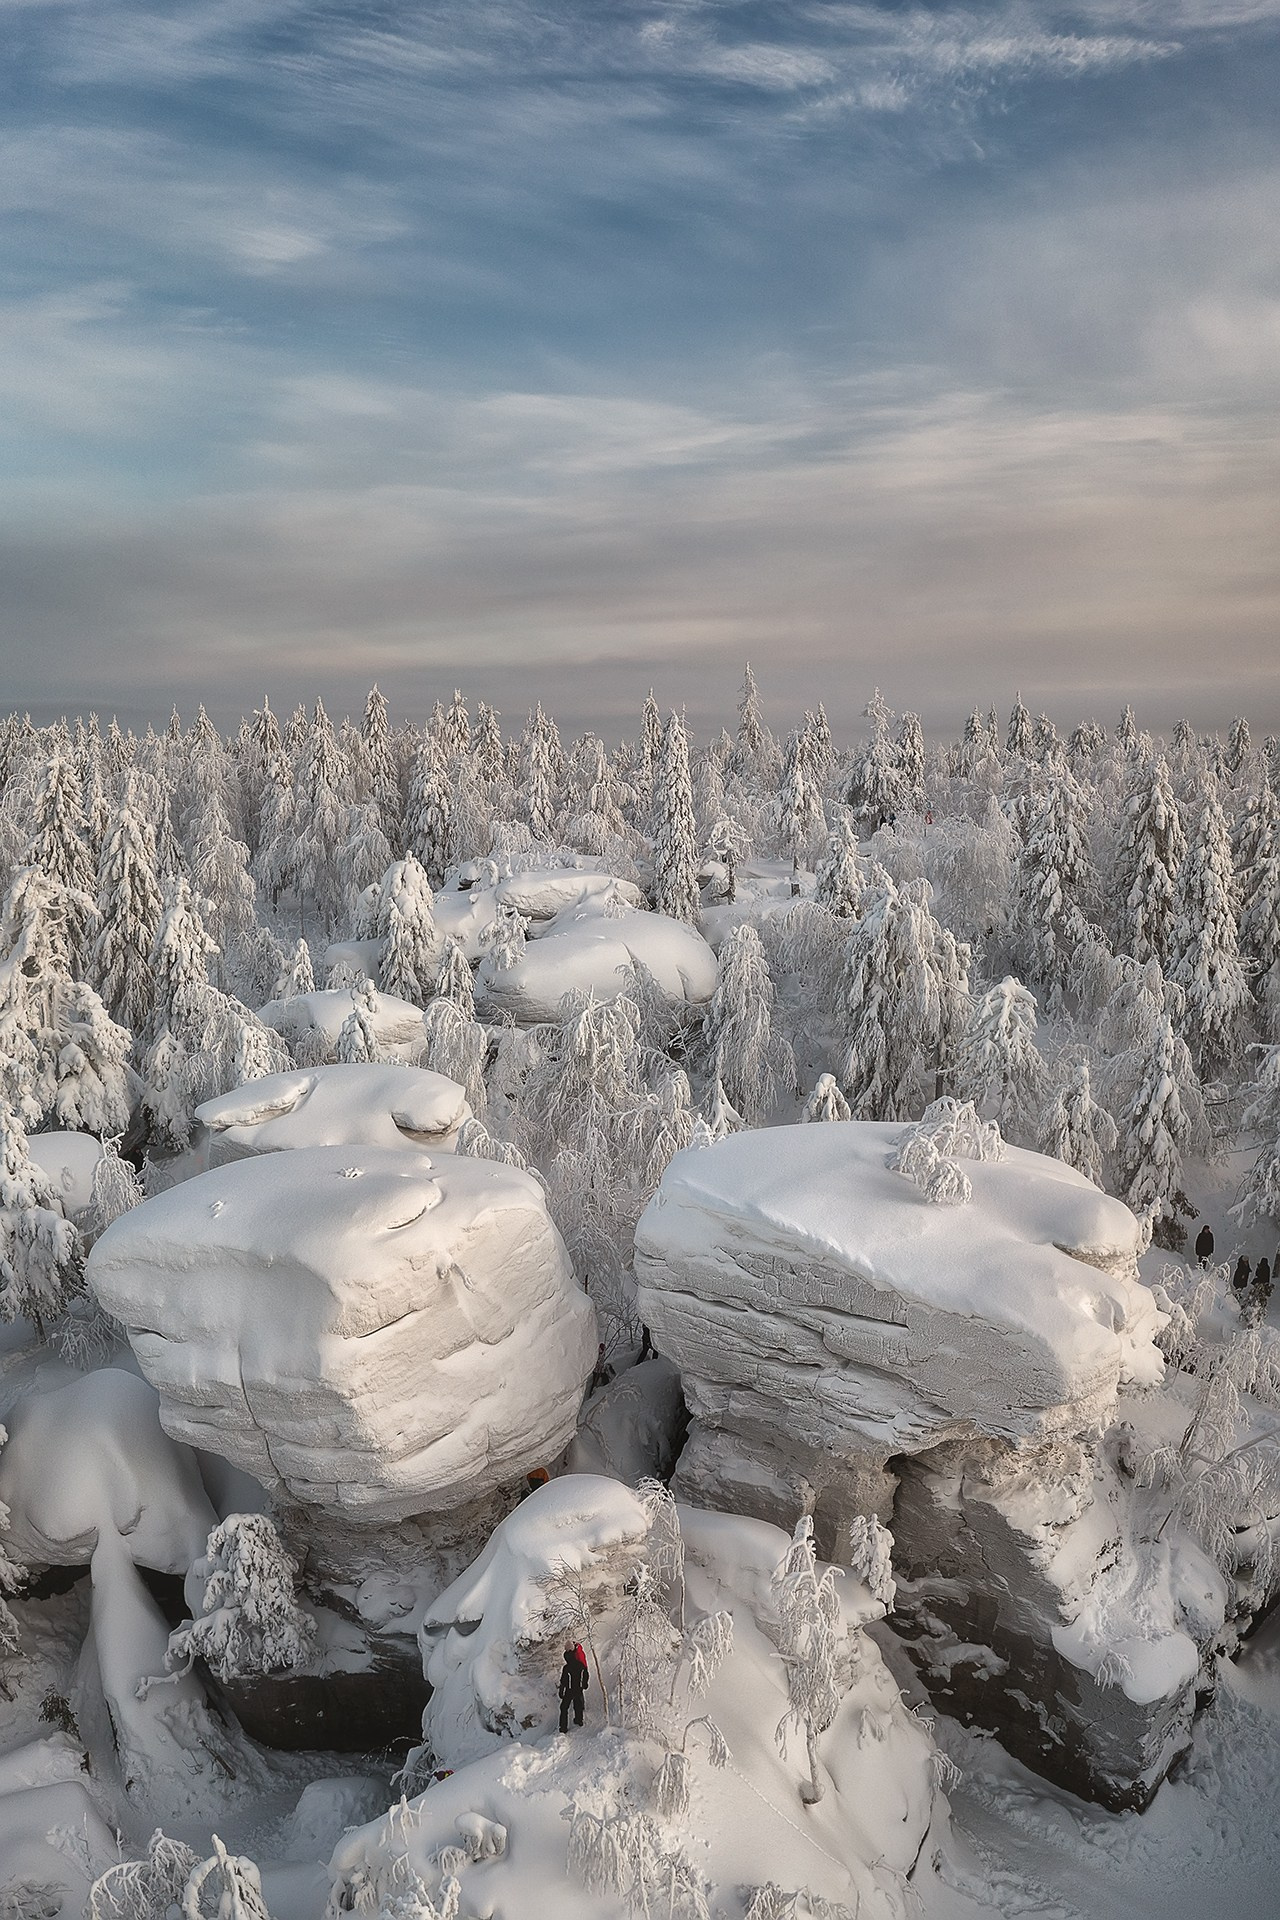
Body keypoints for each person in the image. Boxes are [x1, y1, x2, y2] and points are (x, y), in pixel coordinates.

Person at [558, 1641, 590, 1733]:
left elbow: (563, 1680)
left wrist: (561, 1690)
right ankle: (579, 1720)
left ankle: (563, 1727)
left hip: (569, 1690)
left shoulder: (566, 1667)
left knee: (564, 1707)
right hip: (578, 1688)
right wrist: (584, 1684)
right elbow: (585, 1673)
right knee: (578, 1704)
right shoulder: (580, 1664)